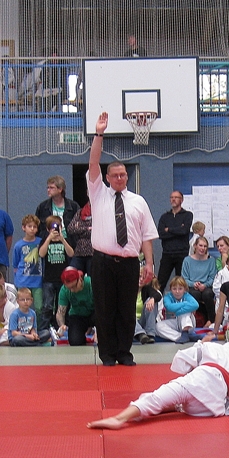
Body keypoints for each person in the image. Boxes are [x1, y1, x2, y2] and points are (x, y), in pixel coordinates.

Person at [88, 112, 158, 366]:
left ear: (127, 176)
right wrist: (99, 134)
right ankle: (107, 354)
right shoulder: (98, 193)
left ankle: (124, 352)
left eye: (123, 175)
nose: (120, 178)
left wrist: (149, 264)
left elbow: (147, 235)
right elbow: (93, 162)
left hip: (129, 262)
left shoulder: (138, 201)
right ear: (107, 178)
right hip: (103, 261)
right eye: (115, 175)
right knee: (104, 310)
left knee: (127, 310)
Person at [87, 331, 229, 430]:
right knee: (180, 402)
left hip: (198, 381)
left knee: (156, 398)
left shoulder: (212, 347)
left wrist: (199, 345)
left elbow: (181, 359)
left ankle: (119, 419)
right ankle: (175, 405)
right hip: (212, 407)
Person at [38, 215, 73, 331]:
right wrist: (49, 239)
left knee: (61, 305)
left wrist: (62, 239)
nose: (56, 230)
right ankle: (44, 328)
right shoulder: (45, 241)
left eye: (58, 227)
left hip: (62, 279)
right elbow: (41, 254)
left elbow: (71, 253)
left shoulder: (65, 240)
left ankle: (61, 327)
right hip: (49, 278)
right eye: (53, 228)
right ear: (48, 229)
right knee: (47, 305)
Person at [157, 191, 193, 291]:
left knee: (181, 283)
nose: (173, 199)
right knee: (160, 283)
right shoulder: (164, 217)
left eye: (176, 197)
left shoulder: (187, 215)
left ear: (181, 200)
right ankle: (158, 300)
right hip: (167, 254)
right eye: (171, 197)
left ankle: (182, 300)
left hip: (182, 254)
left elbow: (184, 231)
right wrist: (178, 229)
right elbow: (161, 234)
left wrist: (169, 229)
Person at [182, 236, 217, 326]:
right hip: (191, 286)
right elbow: (184, 278)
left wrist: (205, 285)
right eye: (200, 245)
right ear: (195, 246)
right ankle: (191, 320)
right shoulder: (187, 260)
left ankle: (211, 320)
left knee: (207, 294)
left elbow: (212, 277)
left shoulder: (211, 260)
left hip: (206, 286)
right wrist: (193, 284)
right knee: (195, 294)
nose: (202, 248)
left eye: (205, 246)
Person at [56, 267, 95, 347]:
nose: (72, 290)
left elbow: (103, 308)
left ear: (80, 279)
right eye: (69, 288)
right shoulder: (64, 290)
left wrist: (100, 330)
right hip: (78, 315)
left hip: (96, 313)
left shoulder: (91, 284)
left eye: (73, 287)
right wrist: (62, 325)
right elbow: (60, 312)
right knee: (75, 341)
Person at [12, 214, 44, 311]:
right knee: (22, 306)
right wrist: (18, 279)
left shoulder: (41, 242)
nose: (32, 229)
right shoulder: (19, 245)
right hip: (23, 281)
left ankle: (38, 322)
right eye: (29, 226)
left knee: (39, 307)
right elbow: (15, 264)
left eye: (35, 227)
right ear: (23, 228)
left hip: (37, 280)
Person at [35, 175, 80, 242]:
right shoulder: (42, 207)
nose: (48, 190)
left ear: (60, 189)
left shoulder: (73, 206)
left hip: (69, 242)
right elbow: (37, 227)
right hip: (48, 242)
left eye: (51, 188)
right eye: (48, 187)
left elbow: (79, 227)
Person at [155, 276, 199, 343]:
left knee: (185, 312)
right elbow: (170, 307)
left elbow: (196, 305)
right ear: (170, 289)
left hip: (189, 324)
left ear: (184, 289)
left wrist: (178, 312)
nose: (177, 291)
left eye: (180, 289)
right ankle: (181, 336)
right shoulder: (167, 297)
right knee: (157, 326)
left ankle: (185, 332)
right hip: (175, 323)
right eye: (174, 289)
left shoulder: (187, 295)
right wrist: (185, 303)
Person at [66, 202, 93, 274]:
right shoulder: (80, 212)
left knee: (92, 277)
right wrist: (87, 228)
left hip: (93, 252)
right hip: (79, 251)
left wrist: (79, 228)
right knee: (70, 273)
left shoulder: (100, 213)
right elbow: (70, 229)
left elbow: (98, 230)